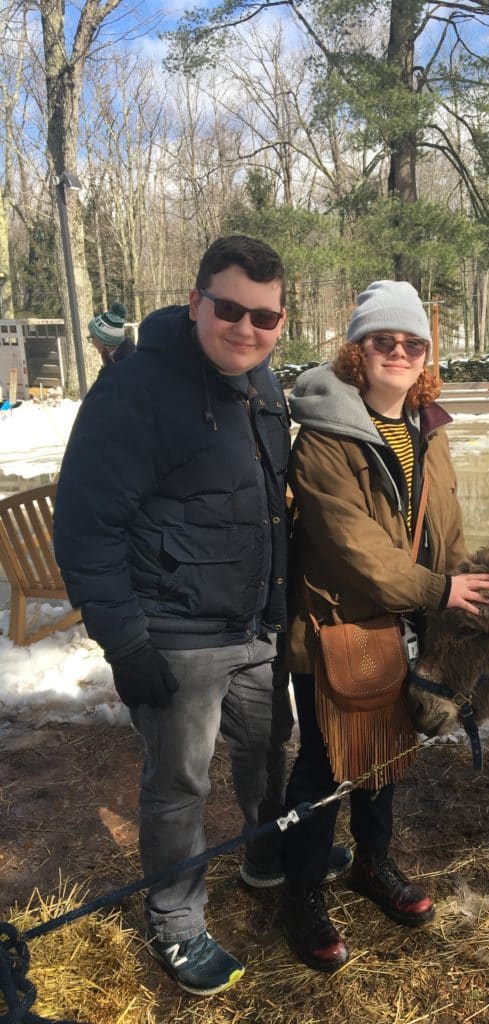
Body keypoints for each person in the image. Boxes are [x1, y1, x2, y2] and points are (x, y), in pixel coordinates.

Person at [53, 236, 350, 997]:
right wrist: (126, 641)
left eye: (265, 316)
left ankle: (263, 851)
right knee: (179, 783)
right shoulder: (134, 392)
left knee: (266, 750)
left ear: (281, 321)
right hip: (175, 635)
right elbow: (87, 530)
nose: (246, 328)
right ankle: (177, 923)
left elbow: (271, 512)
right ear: (195, 305)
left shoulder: (266, 389)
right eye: (229, 309)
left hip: (255, 625)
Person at [280, 280, 489, 972]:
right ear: (357, 350)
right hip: (336, 631)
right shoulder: (323, 437)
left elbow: (448, 528)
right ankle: (302, 896)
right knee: (323, 767)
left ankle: (373, 865)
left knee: (387, 758)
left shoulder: (427, 428)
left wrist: (463, 591)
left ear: (426, 354)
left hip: (407, 629)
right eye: (382, 340)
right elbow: (355, 549)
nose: (397, 353)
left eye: (411, 343)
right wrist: (439, 591)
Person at [87, 301, 136, 367]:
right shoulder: (119, 358)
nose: (91, 342)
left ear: (103, 340)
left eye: (91, 337)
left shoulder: (122, 367)